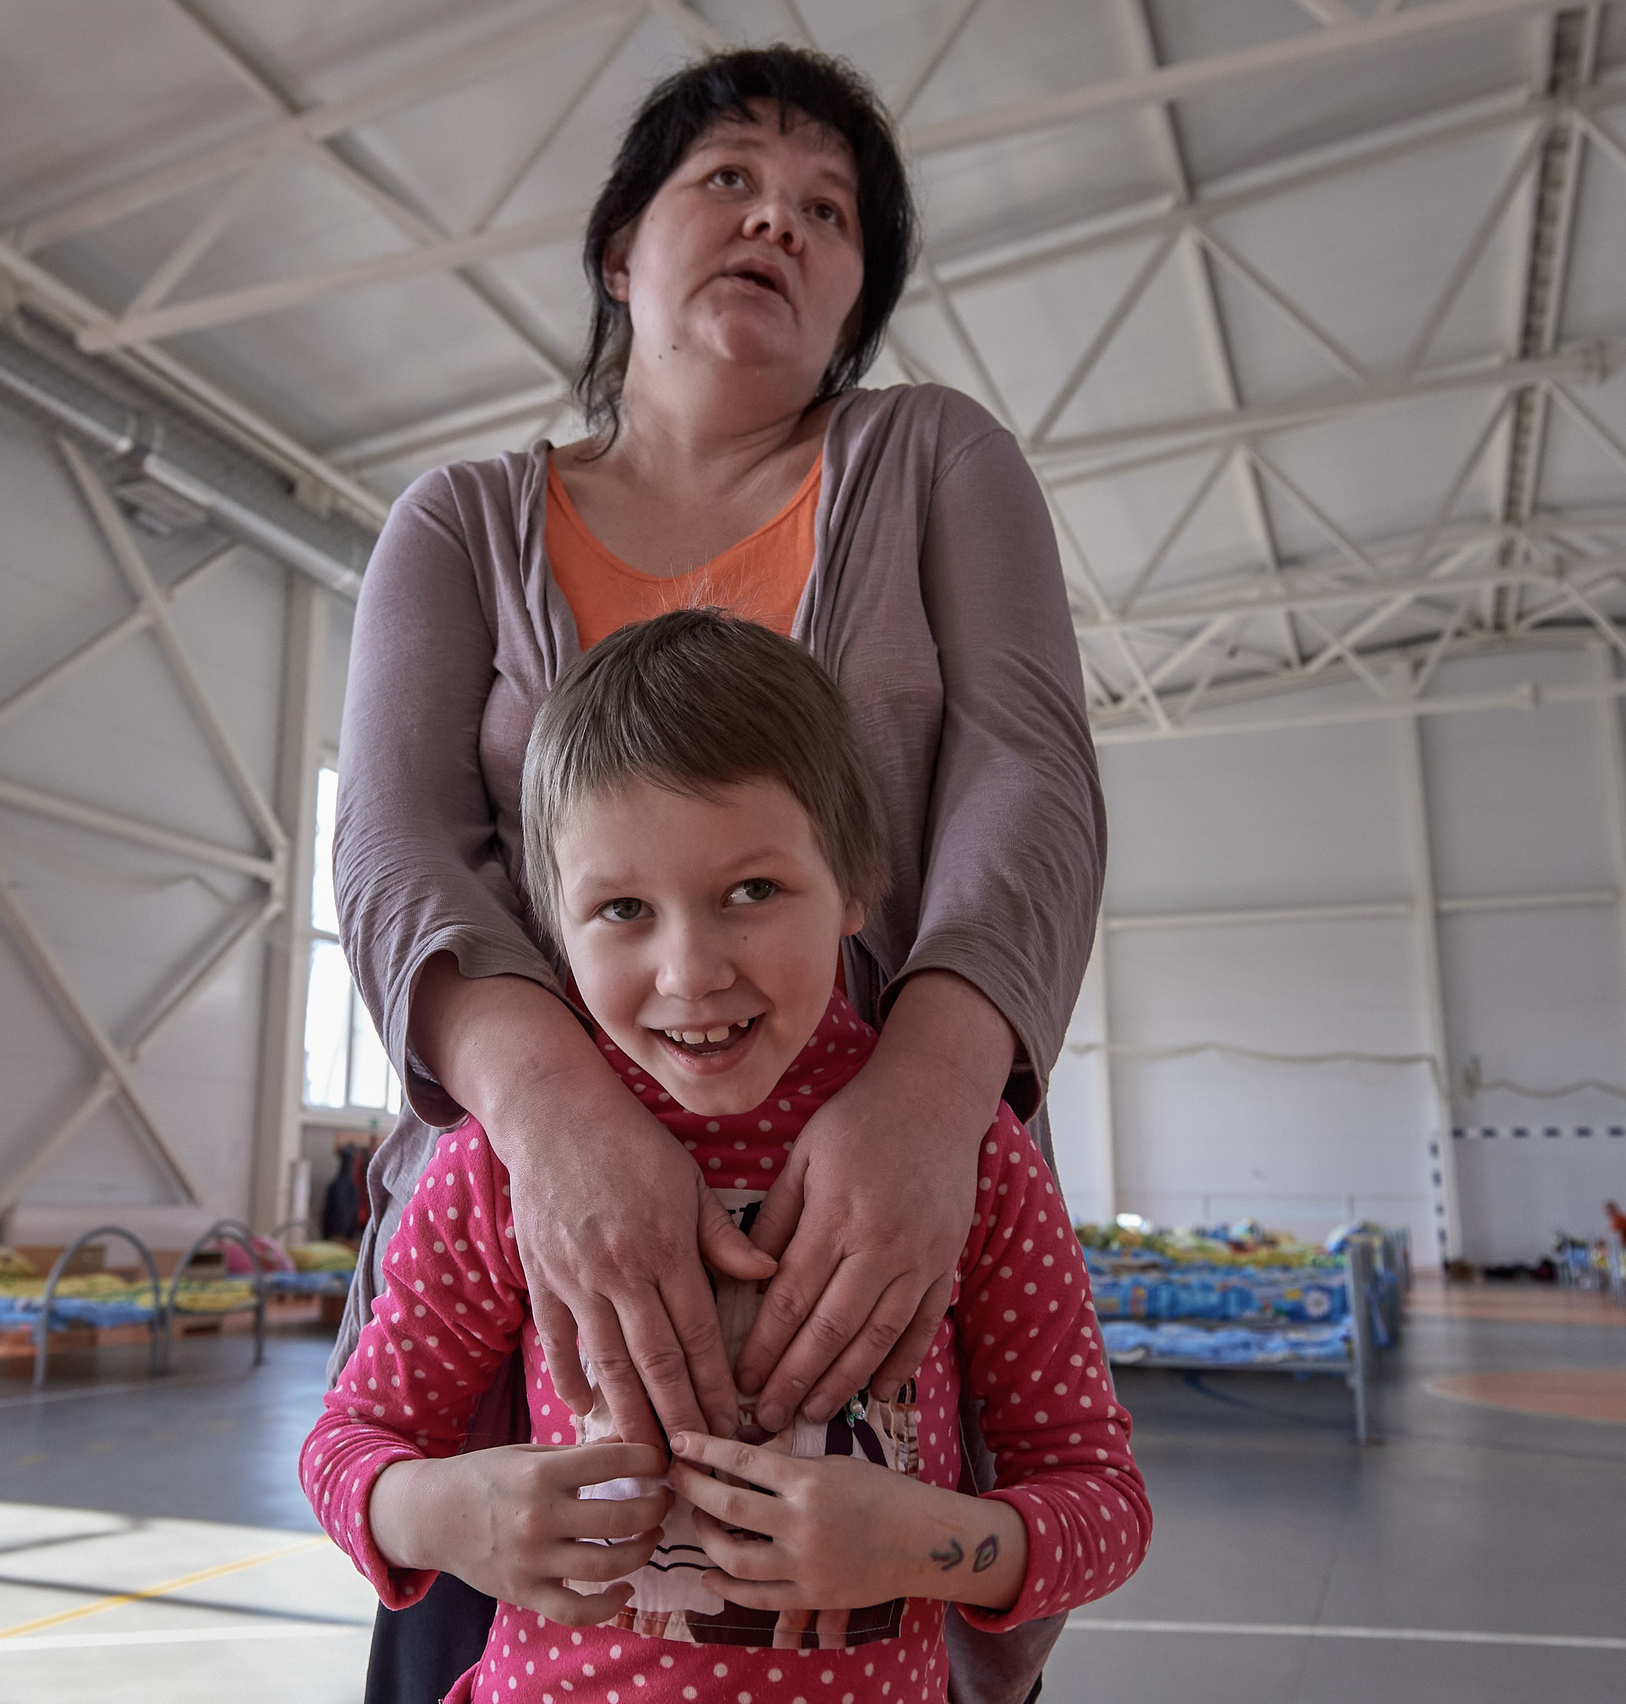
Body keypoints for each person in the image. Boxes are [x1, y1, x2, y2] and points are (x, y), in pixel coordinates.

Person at [333, 45, 1105, 1704]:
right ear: (623, 248)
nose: (780, 218)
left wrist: (927, 1094)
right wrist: (553, 1118)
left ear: (857, 301)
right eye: (731, 182)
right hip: (529, 1246)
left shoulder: (932, 460)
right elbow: (395, 838)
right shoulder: (462, 523)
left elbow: (1031, 774)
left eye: (829, 213)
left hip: (874, 1226)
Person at [304, 611, 1148, 1703]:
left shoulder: (965, 1161)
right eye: (621, 910)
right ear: (556, 926)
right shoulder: (507, 1167)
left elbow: (1103, 1501)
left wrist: (930, 1541)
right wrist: (445, 1515)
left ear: (854, 884)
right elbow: (348, 1446)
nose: (690, 972)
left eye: (751, 891)